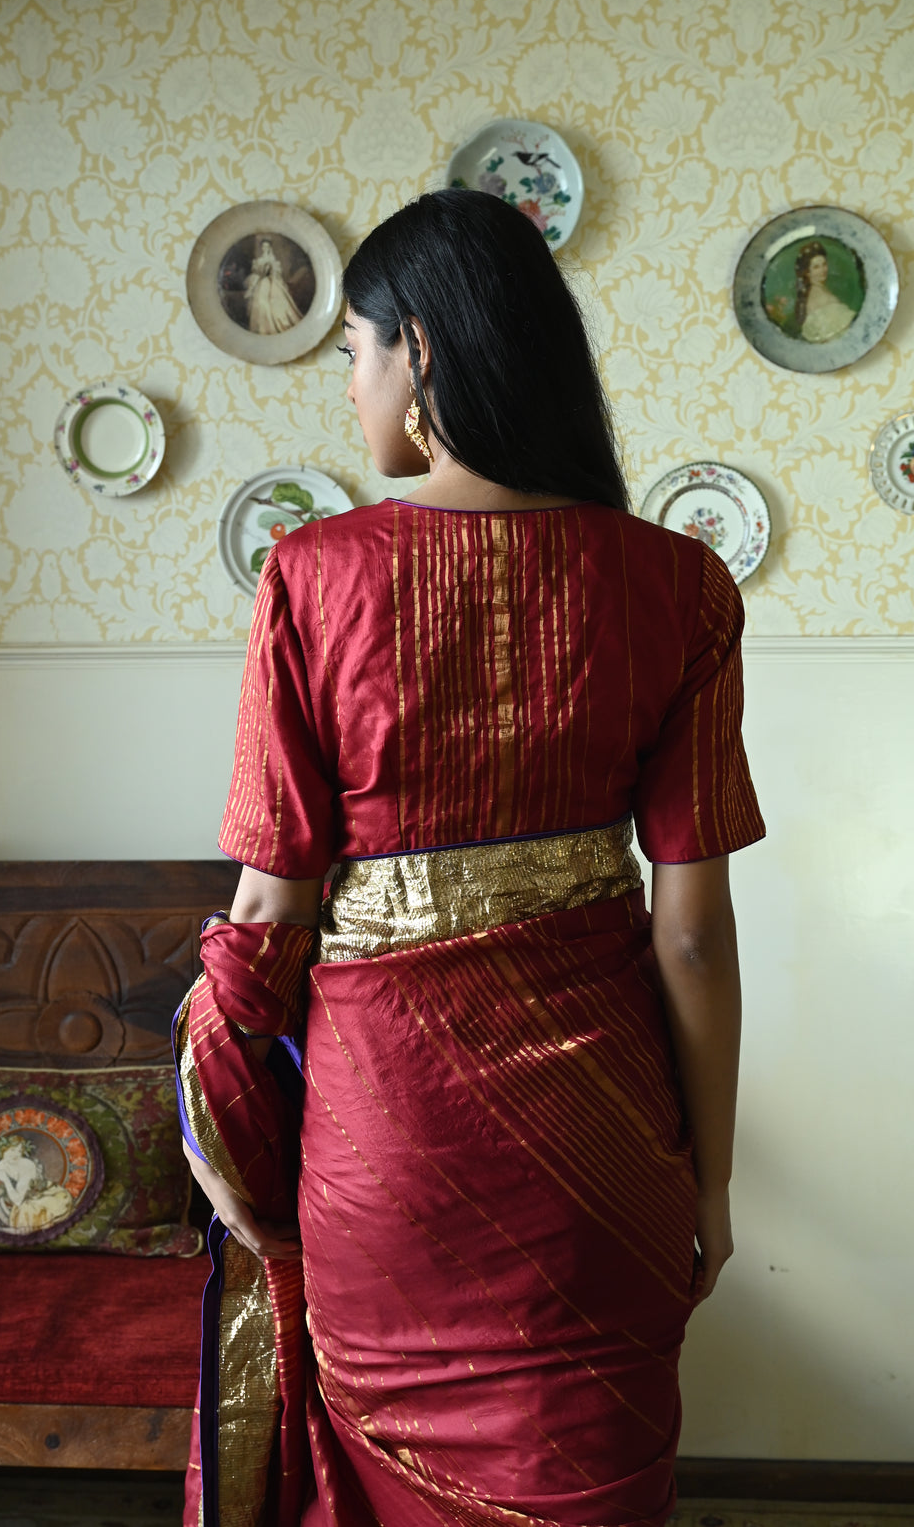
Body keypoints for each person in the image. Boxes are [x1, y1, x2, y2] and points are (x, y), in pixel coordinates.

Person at [175, 188, 765, 1527]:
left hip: (391, 1152)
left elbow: (267, 906)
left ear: (419, 351)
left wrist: (219, 1123)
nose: (349, 386)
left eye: (352, 352)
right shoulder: (679, 586)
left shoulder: (310, 575)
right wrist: (711, 1180)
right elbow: (692, 934)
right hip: (608, 1149)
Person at [791, 240, 857, 343]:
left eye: (824, 264)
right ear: (808, 272)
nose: (823, 270)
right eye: (816, 267)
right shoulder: (819, 296)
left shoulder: (819, 291)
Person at [244, 235, 303, 335]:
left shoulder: (273, 260)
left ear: (269, 248)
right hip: (261, 282)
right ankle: (261, 328)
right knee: (260, 303)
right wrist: (260, 273)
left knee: (276, 303)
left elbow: (276, 274)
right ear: (261, 247)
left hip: (271, 282)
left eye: (267, 247)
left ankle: (274, 326)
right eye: (263, 246)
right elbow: (256, 272)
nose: (265, 248)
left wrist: (271, 271)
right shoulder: (259, 260)